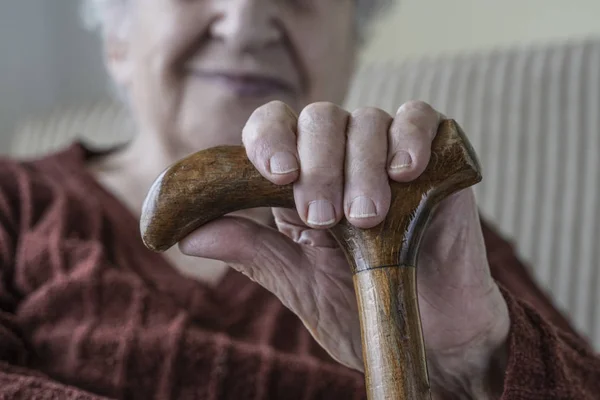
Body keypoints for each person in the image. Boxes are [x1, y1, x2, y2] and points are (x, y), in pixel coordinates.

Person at [0, 0, 599, 399]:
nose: (247, 18)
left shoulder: (426, 224)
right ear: (118, 41)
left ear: (350, 45)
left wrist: (477, 361)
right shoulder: (15, 199)